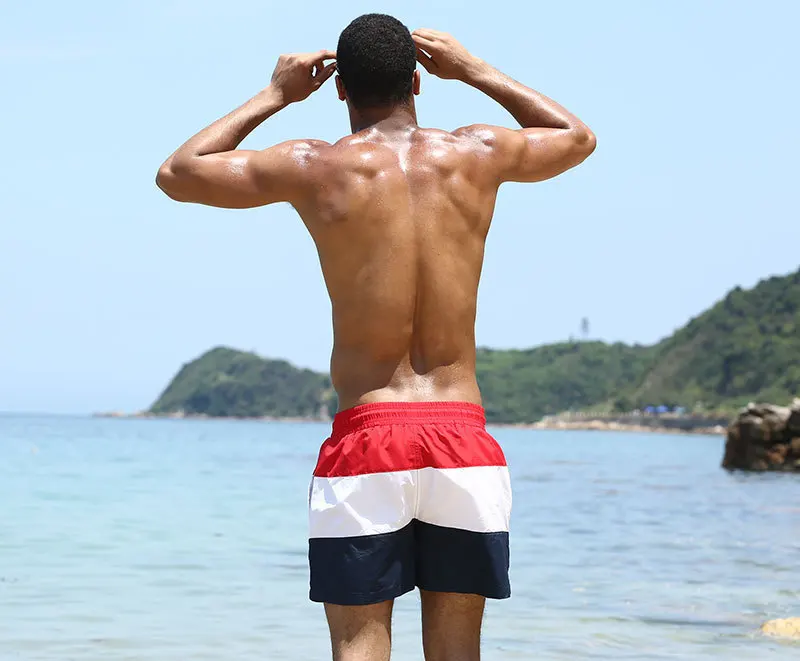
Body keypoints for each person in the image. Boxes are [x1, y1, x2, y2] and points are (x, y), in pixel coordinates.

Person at [156, 13, 595, 661]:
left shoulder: (315, 165)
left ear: (339, 88)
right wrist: (474, 70)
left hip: (368, 437)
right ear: (418, 81)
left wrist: (275, 94)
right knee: (457, 649)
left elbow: (179, 172)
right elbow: (576, 137)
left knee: (359, 643)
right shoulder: (476, 153)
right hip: (462, 440)